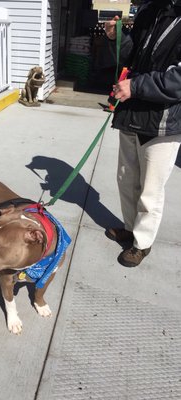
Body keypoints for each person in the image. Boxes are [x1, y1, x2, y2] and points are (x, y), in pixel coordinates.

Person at [104, 0, 181, 267]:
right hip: (131, 113)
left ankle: (142, 243)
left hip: (162, 122)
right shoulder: (150, 11)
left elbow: (178, 79)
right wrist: (119, 38)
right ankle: (130, 226)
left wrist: (135, 87)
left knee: (151, 189)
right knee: (126, 179)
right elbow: (133, 55)